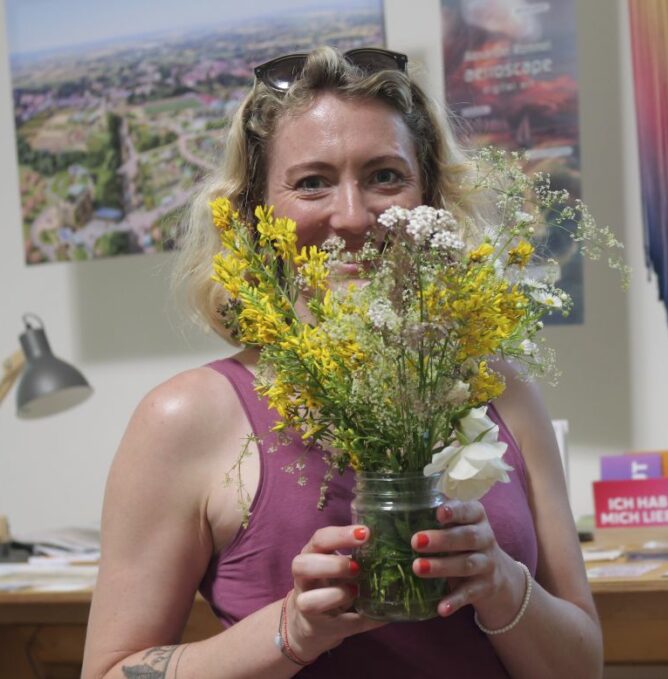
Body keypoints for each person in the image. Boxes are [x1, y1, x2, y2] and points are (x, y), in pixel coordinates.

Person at [82, 46, 602, 678]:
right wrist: (293, 630)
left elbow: (582, 668)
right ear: (254, 213)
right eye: (311, 182)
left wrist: (502, 584)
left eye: (386, 176)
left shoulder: (501, 389)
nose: (352, 216)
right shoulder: (185, 416)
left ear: (430, 195)